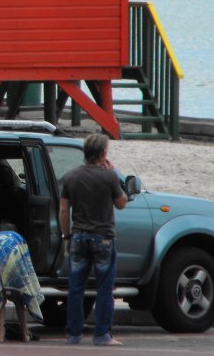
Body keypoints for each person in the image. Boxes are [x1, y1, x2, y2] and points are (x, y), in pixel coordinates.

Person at [59, 133, 129, 346]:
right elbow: (121, 203)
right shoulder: (109, 177)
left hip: (79, 236)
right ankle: (102, 335)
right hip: (104, 238)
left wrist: (67, 236)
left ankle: (73, 334)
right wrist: (113, 172)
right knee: (104, 289)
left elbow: (63, 210)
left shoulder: (70, 176)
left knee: (75, 289)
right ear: (103, 154)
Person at [0, 221, 44, 342]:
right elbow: (26, 262)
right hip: (15, 265)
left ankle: (0, 335)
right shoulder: (18, 238)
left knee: (0, 298)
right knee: (19, 299)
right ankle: (25, 334)